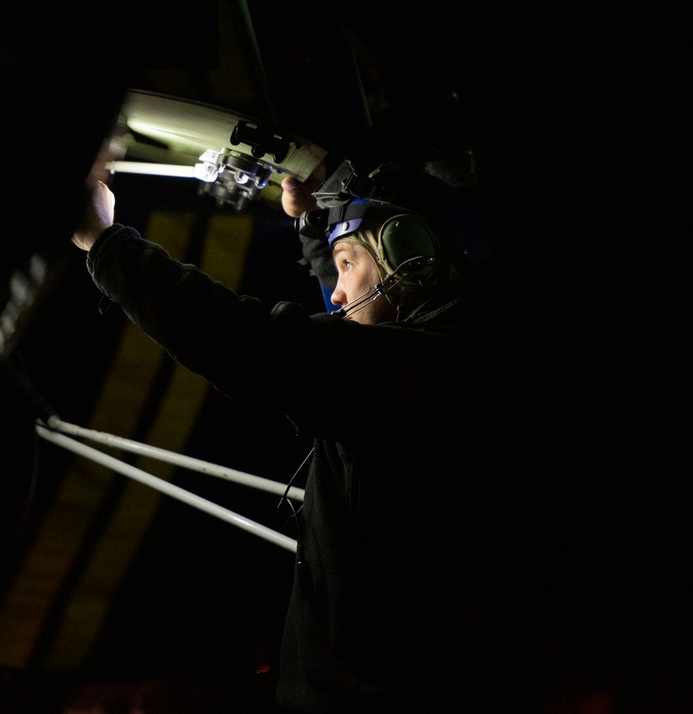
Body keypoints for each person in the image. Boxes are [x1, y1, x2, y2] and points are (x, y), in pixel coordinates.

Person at [70, 162, 562, 712]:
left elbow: (251, 344)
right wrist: (312, 229)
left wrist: (105, 243)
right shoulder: (456, 357)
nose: (334, 294)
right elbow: (359, 317)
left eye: (347, 263)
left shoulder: (418, 371)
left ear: (411, 256)